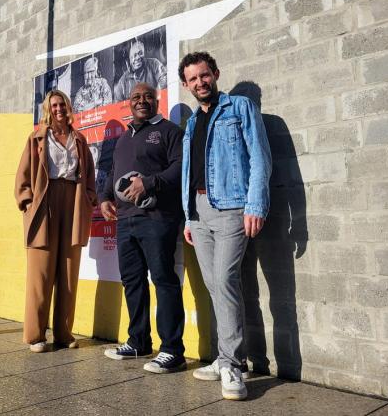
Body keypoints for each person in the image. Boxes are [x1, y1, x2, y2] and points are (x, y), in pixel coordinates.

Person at [180, 52, 272, 401]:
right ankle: (224, 359)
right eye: (193, 79)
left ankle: (233, 365)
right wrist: (189, 215)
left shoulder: (240, 107)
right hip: (200, 211)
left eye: (205, 75)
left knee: (224, 280)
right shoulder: (190, 123)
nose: (200, 82)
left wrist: (255, 204)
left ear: (215, 74)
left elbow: (260, 156)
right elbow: (190, 173)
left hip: (233, 207)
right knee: (214, 286)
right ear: (186, 85)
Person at [100, 83, 186, 373]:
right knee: (132, 281)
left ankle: (173, 350)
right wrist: (104, 198)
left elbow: (179, 167)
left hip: (158, 217)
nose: (142, 101)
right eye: (136, 97)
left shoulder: (170, 132)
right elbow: (113, 171)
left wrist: (147, 183)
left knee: (163, 280)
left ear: (157, 100)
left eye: (148, 97)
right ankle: (138, 341)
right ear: (129, 103)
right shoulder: (123, 138)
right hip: (125, 219)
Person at [15, 89, 97, 352]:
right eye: (54, 105)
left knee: (69, 271)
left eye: (62, 104)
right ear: (48, 109)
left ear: (68, 106)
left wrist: (89, 197)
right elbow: (24, 174)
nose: (59, 109)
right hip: (45, 202)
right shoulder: (37, 137)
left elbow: (90, 175)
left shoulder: (79, 140)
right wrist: (27, 201)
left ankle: (64, 333)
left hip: (73, 200)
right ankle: (36, 336)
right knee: (41, 273)